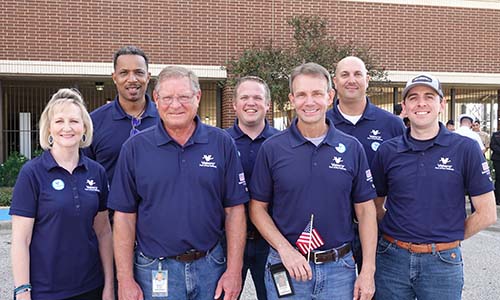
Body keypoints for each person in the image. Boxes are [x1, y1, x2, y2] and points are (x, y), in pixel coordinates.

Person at [109, 66, 248, 300]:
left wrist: (234, 271)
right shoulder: (134, 148)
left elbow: (235, 211)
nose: (176, 105)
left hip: (210, 266)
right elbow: (124, 217)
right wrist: (124, 279)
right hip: (155, 269)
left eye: (184, 97)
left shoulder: (221, 143)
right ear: (155, 99)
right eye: (168, 98)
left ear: (197, 97)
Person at [249, 62, 377, 300]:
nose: (310, 102)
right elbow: (257, 209)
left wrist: (368, 269)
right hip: (288, 265)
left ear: (330, 96)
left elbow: (366, 210)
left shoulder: (351, 148)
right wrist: (285, 250)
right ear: (292, 99)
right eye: (302, 95)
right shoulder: (272, 149)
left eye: (317, 94)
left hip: (340, 269)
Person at [371, 73, 497, 299]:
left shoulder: (465, 149)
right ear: (405, 107)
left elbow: (487, 214)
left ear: (442, 104)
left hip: (442, 264)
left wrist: (448, 239)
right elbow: (376, 207)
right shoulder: (387, 151)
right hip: (391, 261)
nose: (421, 103)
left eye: (429, 96)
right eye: (413, 98)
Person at [10, 88, 114, 300]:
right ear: (49, 128)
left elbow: (103, 232)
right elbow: (21, 239)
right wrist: (22, 291)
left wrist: (109, 286)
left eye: (74, 121)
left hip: (90, 287)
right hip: (45, 291)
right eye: (59, 121)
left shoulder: (97, 172)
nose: (67, 128)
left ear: (84, 127)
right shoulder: (32, 173)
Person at [326, 56, 405, 273]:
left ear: (367, 80)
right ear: (334, 81)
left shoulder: (392, 124)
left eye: (357, 74)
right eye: (345, 74)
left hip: (379, 228)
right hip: (333, 231)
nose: (351, 80)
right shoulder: (320, 122)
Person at [226, 76, 280, 300]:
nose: (251, 103)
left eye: (257, 98)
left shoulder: (282, 143)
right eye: (244, 97)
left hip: (271, 243)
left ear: (267, 104)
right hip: (226, 242)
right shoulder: (219, 142)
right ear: (234, 105)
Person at [84, 45, 159, 185]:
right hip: (110, 206)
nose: (132, 79)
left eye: (139, 72)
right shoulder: (94, 122)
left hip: (157, 206)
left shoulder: (165, 119)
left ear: (148, 77)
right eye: (124, 73)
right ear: (114, 77)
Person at [490, 131, 500, 205]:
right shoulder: (496, 134)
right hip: (498, 159)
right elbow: (492, 145)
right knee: (498, 178)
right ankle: (498, 198)